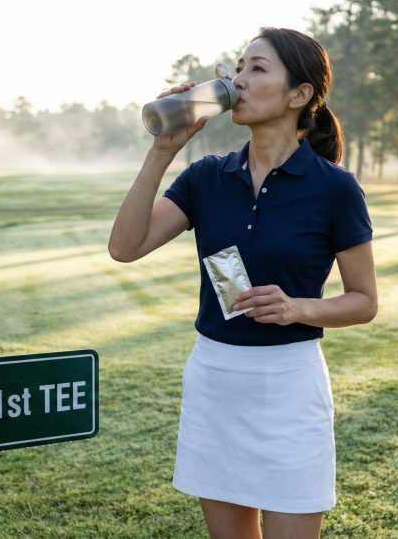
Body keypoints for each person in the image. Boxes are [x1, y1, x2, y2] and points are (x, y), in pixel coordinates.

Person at [108, 27, 377, 539]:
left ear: (299, 95)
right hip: (216, 381)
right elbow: (125, 247)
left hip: (290, 388)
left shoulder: (335, 189)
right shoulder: (208, 177)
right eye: (238, 67)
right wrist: (162, 151)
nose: (240, 80)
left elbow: (364, 301)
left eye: (258, 68)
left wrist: (298, 309)